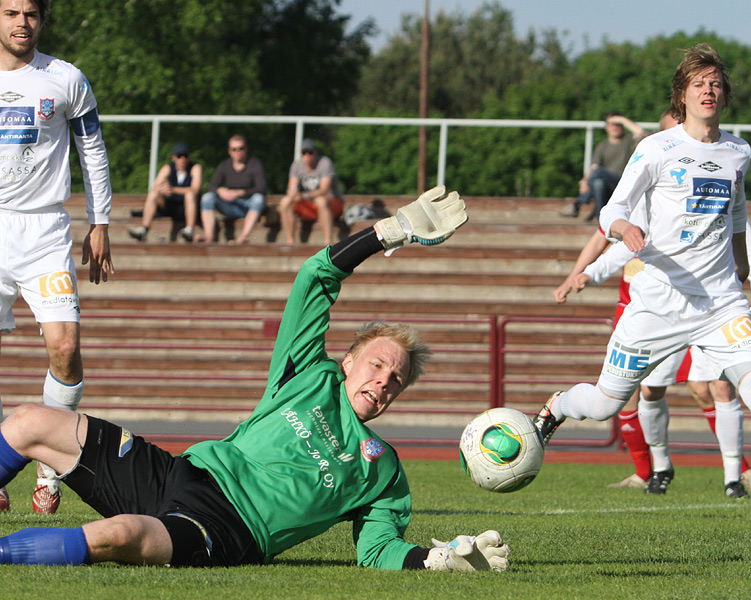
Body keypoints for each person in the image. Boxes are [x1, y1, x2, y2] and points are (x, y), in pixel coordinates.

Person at [0, 186, 508, 572]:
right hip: (181, 472)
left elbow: (377, 550)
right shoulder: (308, 374)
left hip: (226, 528)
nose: (383, 382)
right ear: (347, 362)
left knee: (120, 533)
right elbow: (314, 278)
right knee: (27, 421)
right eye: (377, 365)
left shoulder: (384, 472)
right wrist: (385, 234)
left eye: (396, 380)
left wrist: (440, 559)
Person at [535, 43, 751, 526]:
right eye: (698, 84)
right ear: (682, 95)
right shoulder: (656, 148)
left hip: (721, 304)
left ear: (724, 96)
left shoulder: (738, 151)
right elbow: (612, 210)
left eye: (715, 84)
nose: (708, 91)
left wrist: (742, 270)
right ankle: (557, 406)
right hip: (656, 303)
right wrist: (625, 231)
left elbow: (739, 214)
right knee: (606, 403)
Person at [558, 221, 751, 497]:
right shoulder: (654, 199)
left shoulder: (725, 185)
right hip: (663, 313)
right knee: (649, 390)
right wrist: (588, 273)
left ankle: (735, 477)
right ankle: (659, 469)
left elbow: (747, 243)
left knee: (722, 388)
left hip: (716, 311)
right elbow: (620, 242)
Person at [0, 0, 113, 514]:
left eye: (30, 13)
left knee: (65, 349)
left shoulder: (65, 78)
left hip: (44, 231)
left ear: (41, 19)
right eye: (9, 13)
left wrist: (101, 221)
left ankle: (50, 468)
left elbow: (92, 150)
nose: (21, 23)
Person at [561, 112, 644, 221]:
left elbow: (641, 133)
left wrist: (622, 119)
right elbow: (594, 167)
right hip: (607, 185)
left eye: (617, 123)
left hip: (623, 181)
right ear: (606, 127)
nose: (615, 126)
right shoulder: (602, 146)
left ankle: (579, 202)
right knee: (597, 183)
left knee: (598, 172)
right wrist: (584, 181)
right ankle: (601, 218)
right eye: (611, 124)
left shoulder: (629, 141)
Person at [198, 135, 267, 244]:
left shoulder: (255, 164)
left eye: (241, 148)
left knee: (258, 199)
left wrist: (241, 192)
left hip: (248, 206)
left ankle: (244, 236)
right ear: (229, 151)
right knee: (207, 198)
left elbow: (262, 188)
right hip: (229, 205)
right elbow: (211, 186)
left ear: (246, 149)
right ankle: (209, 236)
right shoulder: (224, 165)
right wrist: (220, 191)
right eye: (234, 149)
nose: (238, 151)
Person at [128, 142, 203, 243]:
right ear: (174, 158)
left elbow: (195, 189)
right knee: (154, 193)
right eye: (179, 156)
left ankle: (189, 229)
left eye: (185, 155)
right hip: (170, 206)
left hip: (187, 208)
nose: (183, 159)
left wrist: (173, 189)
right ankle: (144, 228)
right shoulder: (168, 168)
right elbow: (155, 186)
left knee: (190, 194)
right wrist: (163, 189)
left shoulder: (195, 168)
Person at [278, 138, 346, 246]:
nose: (307, 155)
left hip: (332, 204)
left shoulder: (325, 163)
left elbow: (324, 190)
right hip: (310, 206)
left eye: (310, 152)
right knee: (285, 201)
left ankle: (328, 241)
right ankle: (290, 241)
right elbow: (291, 188)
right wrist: (293, 194)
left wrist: (303, 195)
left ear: (315, 152)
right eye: (304, 153)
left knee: (320, 201)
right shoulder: (296, 165)